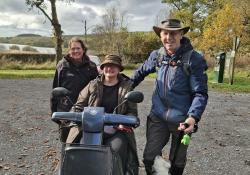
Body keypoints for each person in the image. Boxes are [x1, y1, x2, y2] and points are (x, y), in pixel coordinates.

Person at [131, 19, 208, 175]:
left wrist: (192, 117)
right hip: (158, 117)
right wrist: (118, 87)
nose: (169, 38)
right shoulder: (157, 55)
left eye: (173, 33)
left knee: (176, 163)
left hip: (182, 121)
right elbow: (138, 74)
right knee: (149, 158)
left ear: (181, 34)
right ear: (160, 35)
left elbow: (200, 93)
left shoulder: (193, 59)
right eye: (165, 33)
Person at [67, 54, 139, 174]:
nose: (109, 68)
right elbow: (78, 106)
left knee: (116, 150)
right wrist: (74, 116)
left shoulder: (127, 87)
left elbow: (132, 112)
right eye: (107, 66)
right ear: (102, 68)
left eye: (113, 66)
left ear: (119, 69)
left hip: (116, 130)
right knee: (78, 151)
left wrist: (125, 122)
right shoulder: (92, 84)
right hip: (90, 128)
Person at [50, 37, 98, 142]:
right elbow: (55, 90)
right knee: (66, 144)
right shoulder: (62, 65)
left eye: (78, 48)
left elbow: (97, 91)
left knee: (86, 142)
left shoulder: (91, 67)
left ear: (83, 49)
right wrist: (56, 114)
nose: (75, 51)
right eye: (73, 48)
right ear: (69, 50)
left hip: (85, 111)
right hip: (66, 111)